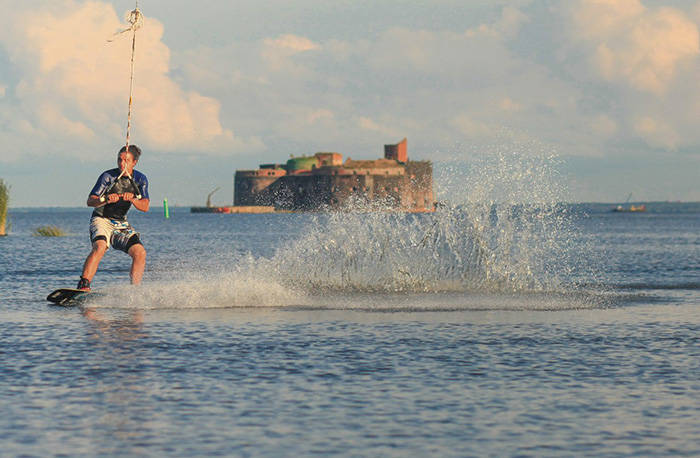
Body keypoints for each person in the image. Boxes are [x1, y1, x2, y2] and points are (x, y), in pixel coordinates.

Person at [77, 145, 150, 290]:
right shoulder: (108, 176)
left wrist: (133, 200)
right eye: (119, 160)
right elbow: (90, 201)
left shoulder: (140, 179)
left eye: (126, 160)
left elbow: (145, 206)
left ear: (134, 162)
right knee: (100, 247)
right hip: (101, 219)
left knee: (140, 252)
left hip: (120, 223)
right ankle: (84, 285)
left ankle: (134, 291)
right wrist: (105, 199)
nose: (122, 163)